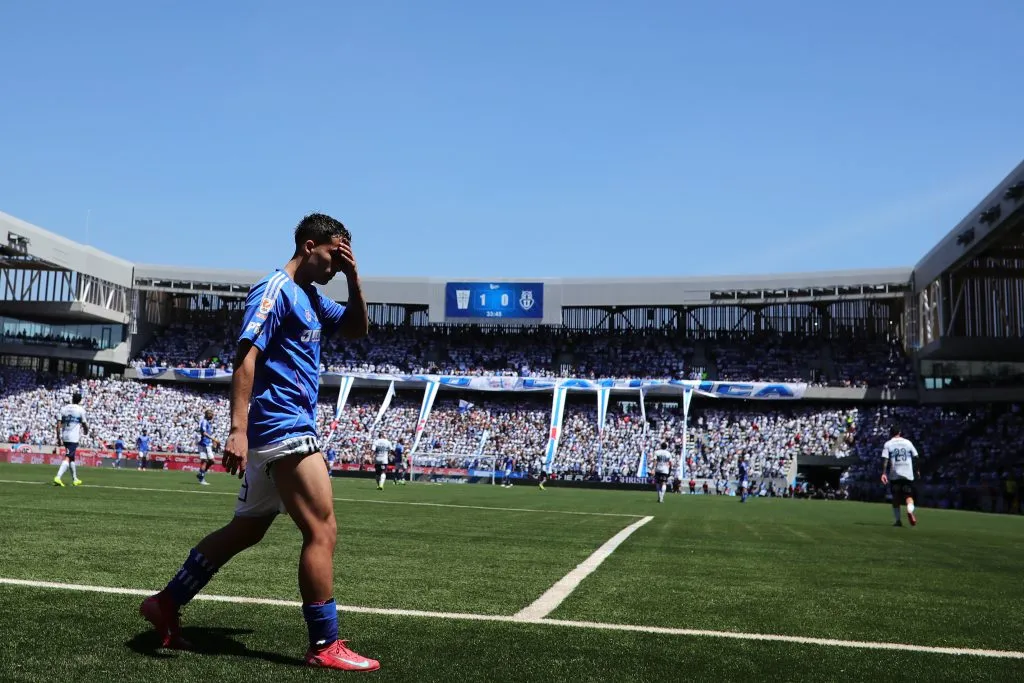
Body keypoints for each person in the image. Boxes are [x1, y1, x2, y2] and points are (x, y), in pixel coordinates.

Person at [139, 213, 378, 672]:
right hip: (281, 426)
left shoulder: (309, 297)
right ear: (309, 247)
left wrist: (353, 277)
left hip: (281, 427)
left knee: (247, 529)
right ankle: (325, 643)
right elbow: (245, 357)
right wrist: (237, 429)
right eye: (334, 254)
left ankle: (166, 602)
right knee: (322, 530)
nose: (336, 265)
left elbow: (356, 329)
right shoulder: (275, 290)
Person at [881, 426, 920, 527]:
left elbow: (885, 460)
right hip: (907, 474)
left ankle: (898, 520)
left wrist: (884, 473)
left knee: (896, 498)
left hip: (895, 475)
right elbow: (916, 456)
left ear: (891, 433)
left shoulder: (888, 444)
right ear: (900, 432)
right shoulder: (908, 442)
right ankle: (909, 510)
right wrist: (917, 470)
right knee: (909, 497)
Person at [53, 392, 88, 487]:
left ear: (72, 399)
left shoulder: (64, 408)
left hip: (65, 435)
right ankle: (58, 477)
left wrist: (58, 437)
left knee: (72, 457)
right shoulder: (80, 410)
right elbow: (84, 423)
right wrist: (86, 430)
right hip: (73, 437)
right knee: (68, 457)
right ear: (80, 400)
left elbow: (58, 424)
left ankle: (75, 479)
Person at [197, 409, 216, 486]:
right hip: (204, 444)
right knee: (209, 461)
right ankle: (201, 477)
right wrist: (213, 439)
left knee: (208, 461)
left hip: (206, 443)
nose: (212, 417)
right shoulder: (204, 422)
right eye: (212, 415)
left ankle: (201, 474)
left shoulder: (206, 422)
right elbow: (203, 432)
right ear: (208, 415)